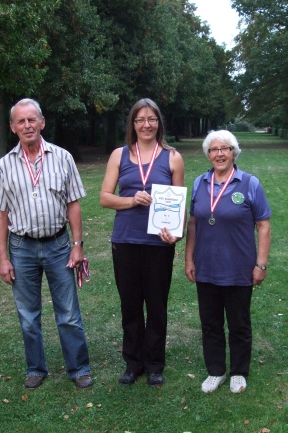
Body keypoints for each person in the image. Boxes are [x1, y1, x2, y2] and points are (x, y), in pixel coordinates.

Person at [0, 98, 92, 390]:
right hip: (22, 249)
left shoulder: (62, 157)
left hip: (59, 246)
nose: (27, 125)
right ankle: (36, 368)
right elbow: (0, 215)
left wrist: (78, 244)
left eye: (32, 119)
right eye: (21, 121)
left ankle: (79, 368)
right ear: (12, 127)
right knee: (28, 316)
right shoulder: (4, 166)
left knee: (68, 313)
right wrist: (3, 259)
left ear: (42, 123)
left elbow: (73, 204)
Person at [100, 98, 185, 388]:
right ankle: (133, 363)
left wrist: (176, 234)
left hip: (158, 244)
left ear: (159, 122)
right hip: (125, 241)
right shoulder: (119, 155)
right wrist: (131, 200)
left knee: (157, 305)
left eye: (151, 119)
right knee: (131, 304)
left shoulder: (172, 157)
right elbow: (104, 198)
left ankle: (155, 365)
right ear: (133, 124)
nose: (146, 125)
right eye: (140, 120)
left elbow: (180, 204)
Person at [184, 130, 272, 394]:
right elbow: (193, 223)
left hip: (238, 268)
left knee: (239, 323)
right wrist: (189, 259)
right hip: (206, 266)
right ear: (208, 154)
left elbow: (263, 225)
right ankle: (216, 371)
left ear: (234, 152)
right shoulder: (200, 183)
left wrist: (261, 264)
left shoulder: (250, 183)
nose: (219, 154)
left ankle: (239, 372)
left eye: (225, 148)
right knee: (210, 323)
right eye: (214, 149)